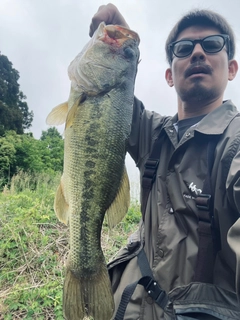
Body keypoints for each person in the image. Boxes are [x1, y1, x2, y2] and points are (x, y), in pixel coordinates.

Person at [90, 4, 240, 319]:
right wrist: (117, 44)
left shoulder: (234, 142)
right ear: (170, 75)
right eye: (183, 49)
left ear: (231, 68)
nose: (198, 52)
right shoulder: (154, 134)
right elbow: (108, 97)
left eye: (212, 44)